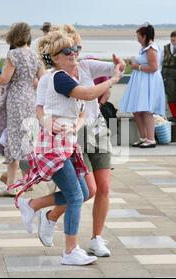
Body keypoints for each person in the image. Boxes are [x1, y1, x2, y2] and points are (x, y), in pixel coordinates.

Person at [10, 30, 122, 266]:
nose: (73, 54)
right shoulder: (60, 78)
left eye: (75, 50)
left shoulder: (60, 78)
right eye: (67, 51)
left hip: (67, 145)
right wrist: (112, 80)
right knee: (75, 196)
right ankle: (70, 250)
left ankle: (32, 206)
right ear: (55, 57)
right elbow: (89, 93)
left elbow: (81, 110)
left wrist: (72, 126)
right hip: (53, 147)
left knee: (81, 193)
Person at [0, 22, 45, 196]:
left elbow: (4, 80)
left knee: (15, 140)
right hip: (31, 100)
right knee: (29, 139)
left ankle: (11, 187)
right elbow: (43, 80)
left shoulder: (13, 54)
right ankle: (28, 180)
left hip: (16, 100)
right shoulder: (35, 56)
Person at [120, 23, 166, 148]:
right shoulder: (144, 48)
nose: (138, 39)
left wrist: (137, 67)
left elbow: (154, 67)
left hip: (148, 81)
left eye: (139, 36)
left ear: (145, 36)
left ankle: (151, 139)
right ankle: (143, 136)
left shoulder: (151, 48)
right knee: (137, 110)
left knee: (146, 110)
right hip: (141, 80)